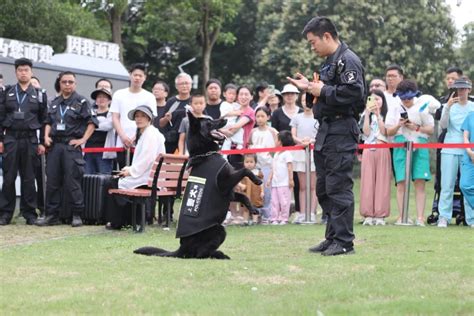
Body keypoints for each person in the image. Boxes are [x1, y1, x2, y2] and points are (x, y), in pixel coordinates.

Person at [287, 16, 365, 256]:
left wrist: (322, 89)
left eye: (313, 42)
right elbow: (321, 95)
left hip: (342, 130)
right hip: (326, 130)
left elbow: (354, 94)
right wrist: (309, 87)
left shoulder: (347, 60)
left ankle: (344, 242)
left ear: (327, 36)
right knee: (324, 188)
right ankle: (332, 237)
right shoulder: (329, 62)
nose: (312, 47)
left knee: (338, 186)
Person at [36, 71, 98, 227]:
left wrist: (83, 139)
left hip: (71, 146)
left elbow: (92, 122)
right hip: (55, 146)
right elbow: (48, 121)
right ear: (60, 83)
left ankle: (77, 214)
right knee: (52, 181)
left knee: (73, 181)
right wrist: (46, 136)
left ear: (75, 84)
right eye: (64, 82)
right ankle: (51, 215)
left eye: (71, 82)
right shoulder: (55, 102)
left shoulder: (81, 101)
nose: (67, 84)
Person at [0, 58, 47, 225]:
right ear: (16, 72)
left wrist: (42, 142)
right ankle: (5, 213)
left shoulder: (40, 94)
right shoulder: (6, 91)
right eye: (20, 70)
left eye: (26, 70)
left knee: (29, 178)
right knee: (9, 177)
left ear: (31, 72)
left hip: (30, 138)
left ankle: (29, 213)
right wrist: (1, 139)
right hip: (11, 138)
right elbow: (0, 116)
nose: (23, 72)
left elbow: (44, 119)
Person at [105, 105, 165, 229]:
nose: (139, 119)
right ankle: (128, 219)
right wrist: (130, 169)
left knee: (113, 182)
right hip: (151, 176)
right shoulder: (149, 133)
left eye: (143, 116)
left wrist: (131, 171)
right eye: (137, 116)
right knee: (117, 180)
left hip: (148, 178)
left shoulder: (150, 134)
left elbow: (147, 158)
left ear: (150, 118)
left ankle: (118, 222)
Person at [385, 79, 434, 227]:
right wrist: (398, 125)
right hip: (400, 144)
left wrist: (416, 127)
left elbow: (430, 129)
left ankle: (420, 217)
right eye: (403, 98)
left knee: (419, 182)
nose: (406, 101)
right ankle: (402, 216)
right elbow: (388, 131)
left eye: (409, 98)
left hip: (420, 142)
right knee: (401, 182)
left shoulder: (422, 106)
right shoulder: (394, 108)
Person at [437, 77, 474, 227]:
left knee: (469, 185)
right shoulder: (449, 105)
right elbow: (443, 125)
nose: (461, 91)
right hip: (450, 147)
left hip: (469, 150)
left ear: (469, 90)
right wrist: (447, 107)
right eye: (459, 88)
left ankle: (471, 218)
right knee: (447, 185)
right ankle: (443, 217)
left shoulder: (473, 106)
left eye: (464, 88)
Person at [110, 63, 157, 169]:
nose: (137, 78)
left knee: (139, 171)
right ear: (130, 75)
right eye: (135, 75)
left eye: (140, 75)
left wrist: (136, 137)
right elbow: (115, 117)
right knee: (122, 170)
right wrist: (123, 136)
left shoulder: (149, 97)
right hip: (122, 141)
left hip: (142, 141)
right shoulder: (119, 94)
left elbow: (152, 119)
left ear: (144, 78)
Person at [359, 89, 391, 226]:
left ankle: (380, 215)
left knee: (382, 182)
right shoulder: (364, 115)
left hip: (382, 148)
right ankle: (368, 214)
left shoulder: (388, 115)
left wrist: (378, 116)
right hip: (368, 148)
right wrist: (367, 114)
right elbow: (365, 132)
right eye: (372, 99)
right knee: (367, 182)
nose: (375, 101)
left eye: (378, 99)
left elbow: (385, 132)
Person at [290, 97, 319, 224]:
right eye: (303, 100)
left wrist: (311, 141)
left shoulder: (318, 116)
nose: (306, 102)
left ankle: (312, 213)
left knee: (313, 186)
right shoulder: (297, 118)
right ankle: (302, 213)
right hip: (300, 153)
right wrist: (301, 141)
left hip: (314, 153)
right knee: (302, 186)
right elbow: (293, 135)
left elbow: (320, 134)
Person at [248, 106, 278, 223]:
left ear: (268, 117)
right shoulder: (253, 132)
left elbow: (276, 147)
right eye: (257, 116)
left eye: (262, 116)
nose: (259, 119)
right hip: (255, 166)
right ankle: (255, 214)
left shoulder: (273, 131)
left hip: (268, 166)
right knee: (255, 191)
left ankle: (268, 215)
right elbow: (249, 145)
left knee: (267, 191)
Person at [159, 73, 192, 153]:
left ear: (191, 85)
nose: (184, 86)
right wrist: (166, 119)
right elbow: (161, 123)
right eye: (181, 84)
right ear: (176, 86)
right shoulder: (171, 101)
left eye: (186, 83)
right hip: (172, 141)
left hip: (190, 140)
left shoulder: (195, 101)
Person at [84, 88, 115, 174]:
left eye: (104, 97)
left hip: (104, 152)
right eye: (99, 97)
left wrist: (91, 125)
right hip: (88, 150)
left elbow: (107, 126)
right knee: (87, 177)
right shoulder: (89, 113)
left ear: (109, 101)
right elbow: (83, 126)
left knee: (104, 178)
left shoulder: (112, 114)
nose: (101, 99)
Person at [266, 130, 294, 225]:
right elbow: (273, 168)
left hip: (284, 183)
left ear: (280, 141)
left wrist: (291, 180)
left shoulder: (287, 154)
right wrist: (269, 179)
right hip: (275, 183)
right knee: (274, 201)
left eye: (276, 139)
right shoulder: (276, 154)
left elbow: (290, 167)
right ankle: (274, 218)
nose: (275, 141)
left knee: (284, 201)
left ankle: (284, 218)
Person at [238, 154, 264, 225]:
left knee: (255, 206)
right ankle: (245, 221)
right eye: (247, 162)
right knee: (246, 207)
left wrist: (262, 191)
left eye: (251, 162)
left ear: (255, 163)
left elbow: (261, 183)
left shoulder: (257, 172)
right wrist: (241, 185)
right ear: (243, 163)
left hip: (255, 193)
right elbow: (238, 181)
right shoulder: (243, 172)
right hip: (246, 192)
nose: (249, 164)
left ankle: (255, 221)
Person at [460, 102, 474, 228]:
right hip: (469, 157)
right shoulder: (470, 116)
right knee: (465, 185)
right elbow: (465, 137)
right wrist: (469, 152)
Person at [220, 83, 244, 152]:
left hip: (233, 124)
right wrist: (235, 113)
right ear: (224, 94)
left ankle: (238, 144)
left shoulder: (236, 104)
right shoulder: (224, 104)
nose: (231, 96)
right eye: (230, 93)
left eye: (234, 94)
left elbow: (241, 109)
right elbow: (224, 114)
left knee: (239, 131)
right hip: (227, 124)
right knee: (238, 130)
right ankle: (238, 144)